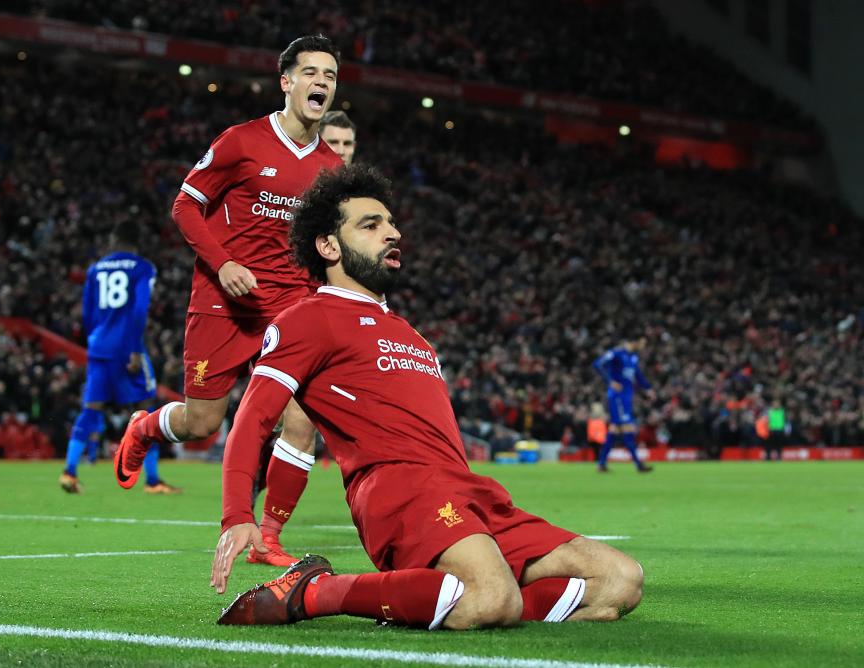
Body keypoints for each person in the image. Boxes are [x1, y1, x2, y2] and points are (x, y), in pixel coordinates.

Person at [211, 164, 644, 630]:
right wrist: (237, 514)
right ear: (328, 245)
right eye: (370, 225)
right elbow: (252, 418)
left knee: (621, 580)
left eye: (391, 223)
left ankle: (430, 597)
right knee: (492, 599)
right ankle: (314, 591)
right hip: (401, 491)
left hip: (469, 490)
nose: (392, 233)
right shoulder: (306, 319)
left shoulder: (410, 332)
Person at [114, 35, 343, 566]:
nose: (321, 83)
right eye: (310, 73)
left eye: (330, 76)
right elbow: (185, 207)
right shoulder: (241, 141)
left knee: (301, 417)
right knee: (202, 424)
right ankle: (146, 426)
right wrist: (224, 264)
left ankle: (268, 537)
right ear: (286, 82)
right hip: (223, 302)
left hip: (289, 306)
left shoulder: (331, 169)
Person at [248, 110, 360, 559]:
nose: (341, 153)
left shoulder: (358, 205)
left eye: (348, 146)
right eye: (333, 144)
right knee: (297, 422)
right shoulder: (294, 196)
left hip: (341, 317)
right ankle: (266, 535)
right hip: (288, 310)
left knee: (307, 424)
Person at [60, 221, 180, 495]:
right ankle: (152, 480)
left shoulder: (95, 268)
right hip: (127, 346)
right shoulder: (142, 267)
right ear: (136, 243)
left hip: (99, 347)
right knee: (146, 406)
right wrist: (134, 349)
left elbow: (88, 314)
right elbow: (139, 310)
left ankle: (69, 471)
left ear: (115, 240)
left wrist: (97, 341)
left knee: (91, 408)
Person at [592, 338, 654, 473]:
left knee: (615, 429)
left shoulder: (633, 357)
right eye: (641, 342)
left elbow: (638, 375)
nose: (643, 345)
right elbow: (597, 364)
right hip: (618, 396)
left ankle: (601, 464)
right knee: (627, 427)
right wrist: (610, 381)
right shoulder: (616, 353)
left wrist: (648, 389)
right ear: (632, 341)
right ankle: (638, 465)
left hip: (626, 396)